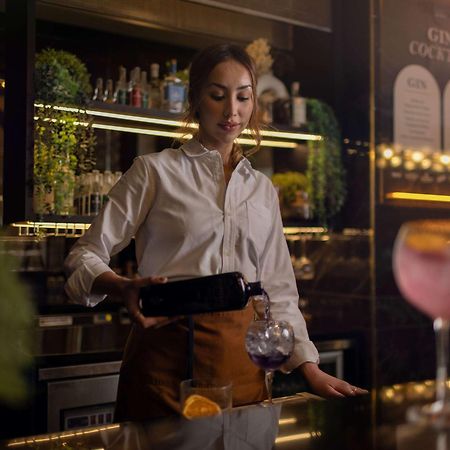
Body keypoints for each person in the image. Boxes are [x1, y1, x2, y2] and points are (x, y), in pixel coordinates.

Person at [64, 43, 366, 422]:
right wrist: (122, 285)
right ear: (195, 99)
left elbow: (279, 290)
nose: (232, 111)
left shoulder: (261, 190)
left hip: (243, 370)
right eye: (217, 95)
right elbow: (83, 256)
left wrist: (309, 367)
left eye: (243, 97)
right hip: (164, 365)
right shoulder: (154, 172)